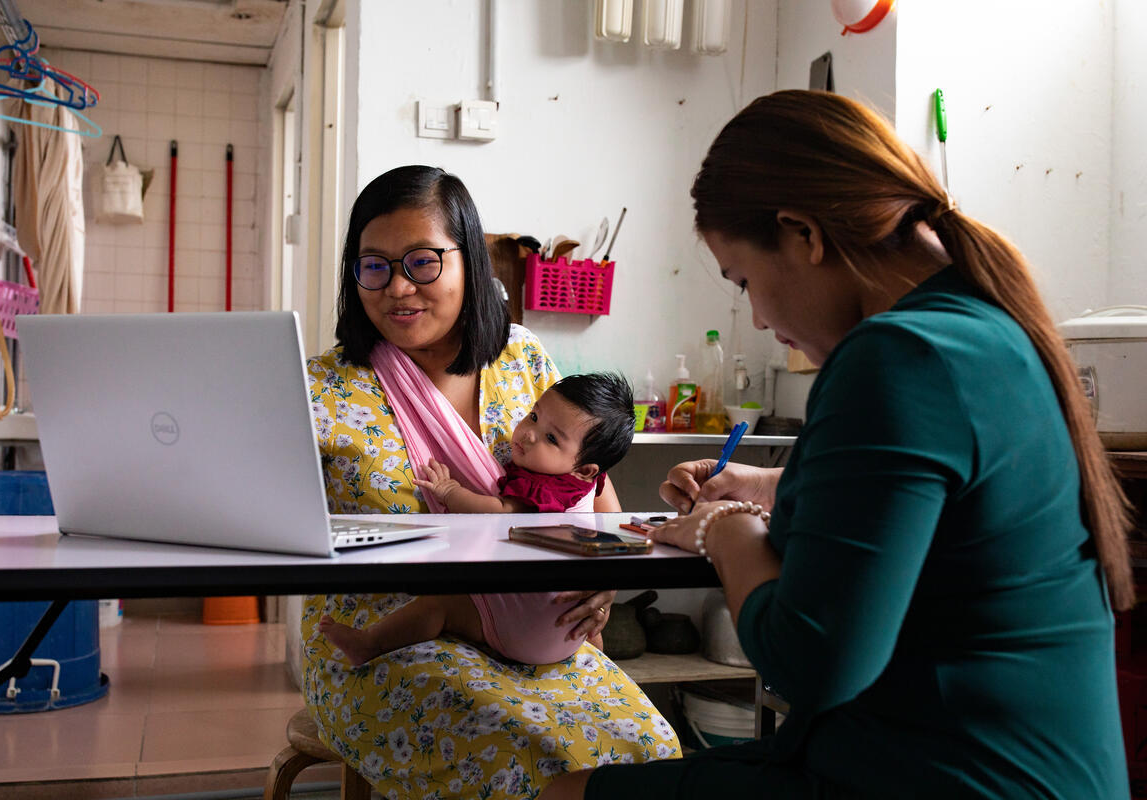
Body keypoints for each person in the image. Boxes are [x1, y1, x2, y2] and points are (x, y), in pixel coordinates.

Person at [546, 90, 1133, 799]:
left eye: (744, 282)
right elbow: (928, 510)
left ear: (803, 235)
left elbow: (809, 663)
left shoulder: (897, 356)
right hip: (1012, 765)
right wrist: (768, 488)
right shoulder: (986, 329)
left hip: (952, 774)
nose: (758, 318)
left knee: (566, 792)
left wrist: (722, 531)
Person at [301, 165, 680, 799]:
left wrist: (603, 583)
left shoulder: (524, 358)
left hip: (534, 631)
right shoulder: (322, 388)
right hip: (382, 634)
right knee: (514, 754)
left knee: (650, 753)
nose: (397, 288)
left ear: (469, 263)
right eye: (373, 266)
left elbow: (596, 498)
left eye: (422, 263)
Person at [316, 371, 636, 667]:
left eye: (551, 438)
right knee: (591, 628)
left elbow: (499, 512)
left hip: (523, 628)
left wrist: (449, 490)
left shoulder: (541, 489)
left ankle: (370, 643)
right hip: (572, 633)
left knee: (440, 605)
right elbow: (609, 527)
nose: (528, 434)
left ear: (584, 469)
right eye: (534, 416)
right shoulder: (590, 482)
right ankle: (597, 657)